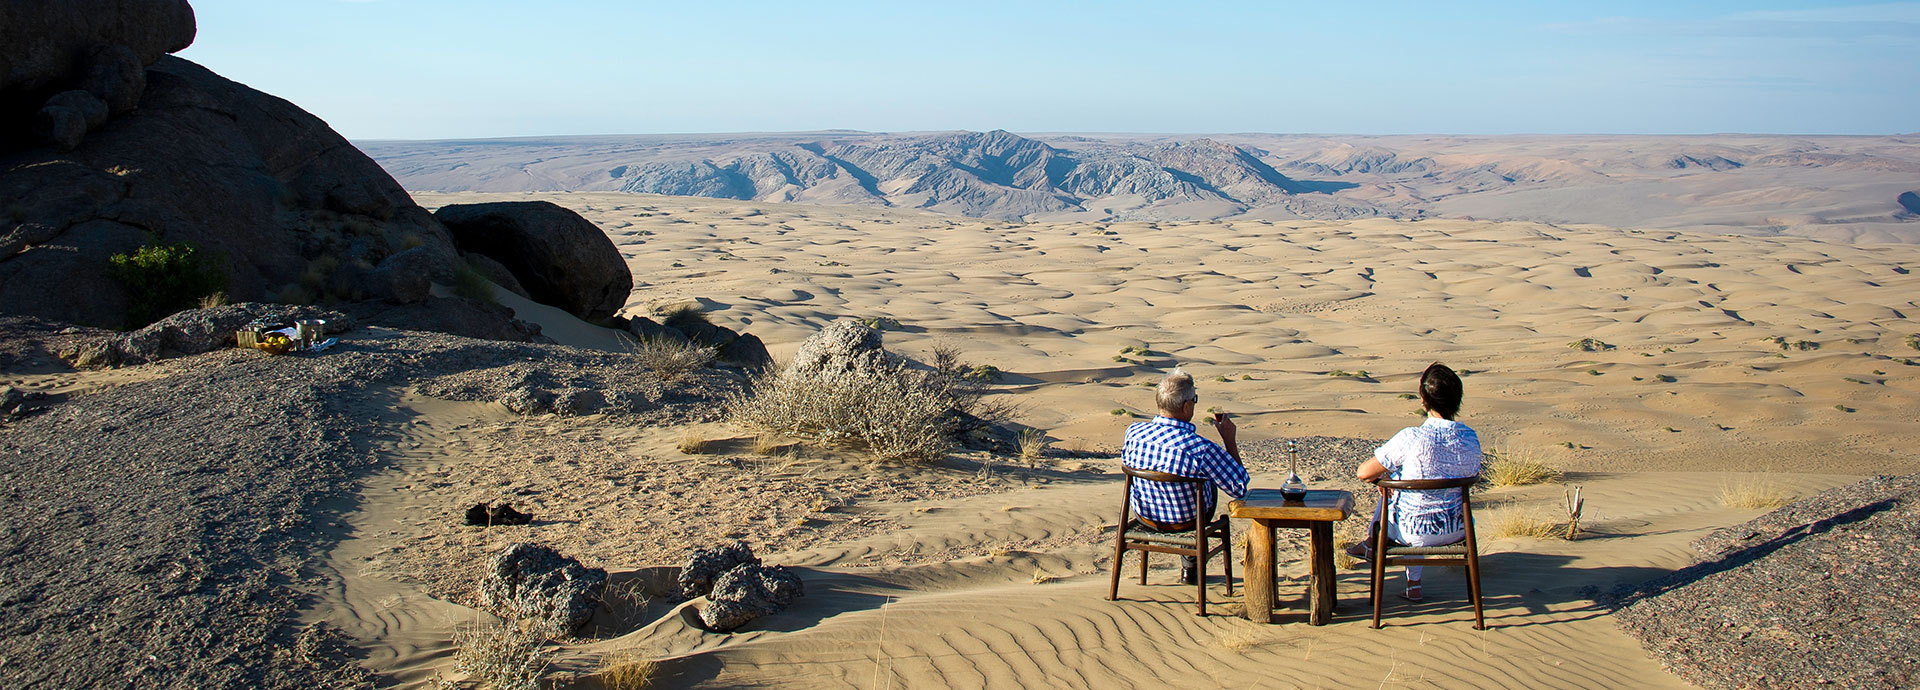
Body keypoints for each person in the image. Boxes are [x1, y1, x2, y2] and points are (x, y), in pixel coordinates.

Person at [1350, 362, 1482, 602]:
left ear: (1424, 399)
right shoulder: (1470, 438)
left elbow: (1364, 472)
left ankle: (1371, 543)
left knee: (1398, 492)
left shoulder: (1412, 437)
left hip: (1413, 531)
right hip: (1459, 528)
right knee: (1414, 490)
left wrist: (1386, 480)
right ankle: (1414, 585)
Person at [1122, 368, 1249, 585]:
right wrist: (1229, 441)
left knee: (1183, 485)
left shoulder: (1133, 433)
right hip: (1187, 523)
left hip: (1146, 516)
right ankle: (1190, 565)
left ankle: (1189, 568)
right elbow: (1239, 488)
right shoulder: (1200, 448)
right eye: (1194, 400)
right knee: (1203, 486)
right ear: (1187, 406)